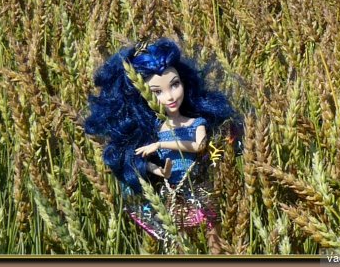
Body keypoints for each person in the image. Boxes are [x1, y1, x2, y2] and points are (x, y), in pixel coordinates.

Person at [82, 38, 239, 253]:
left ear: (184, 81)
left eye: (175, 84)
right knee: (177, 239)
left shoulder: (196, 122)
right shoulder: (154, 129)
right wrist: (155, 169)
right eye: (157, 91)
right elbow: (146, 164)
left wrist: (162, 144)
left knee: (214, 233)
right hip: (171, 194)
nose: (170, 96)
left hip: (199, 189)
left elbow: (200, 146)